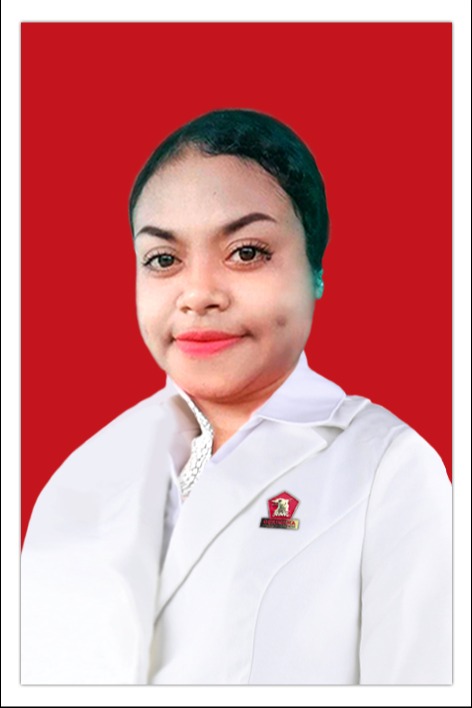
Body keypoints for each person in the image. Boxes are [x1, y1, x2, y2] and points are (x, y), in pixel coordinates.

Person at [21, 108, 452, 685]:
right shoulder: (82, 475)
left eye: (246, 252)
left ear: (316, 269)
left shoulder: (390, 471)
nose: (198, 294)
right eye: (163, 260)